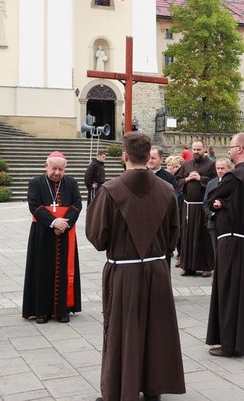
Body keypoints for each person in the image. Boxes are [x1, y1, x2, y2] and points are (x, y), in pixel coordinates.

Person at [85, 132, 185, 401]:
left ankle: (120, 390)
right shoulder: (167, 190)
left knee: (122, 329)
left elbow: (97, 238)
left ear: (125, 156)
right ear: (148, 155)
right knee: (155, 328)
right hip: (157, 270)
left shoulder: (110, 190)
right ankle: (152, 390)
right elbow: (174, 236)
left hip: (124, 271)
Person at [205, 132, 244, 357]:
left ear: (240, 149)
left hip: (232, 243)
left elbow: (212, 197)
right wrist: (223, 203)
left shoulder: (235, 176)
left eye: (231, 147)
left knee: (230, 293)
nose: (228, 151)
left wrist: (220, 204)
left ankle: (231, 344)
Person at [22, 151, 82, 324]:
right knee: (42, 270)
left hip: (65, 232)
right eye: (54, 168)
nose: (57, 173)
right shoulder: (36, 182)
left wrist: (64, 224)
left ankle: (63, 310)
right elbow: (34, 205)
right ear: (46, 166)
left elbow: (77, 205)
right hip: (42, 232)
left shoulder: (70, 183)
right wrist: (53, 222)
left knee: (65, 270)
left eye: (61, 169)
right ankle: (41, 311)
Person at [175, 140, 216, 277]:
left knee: (203, 236)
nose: (196, 152)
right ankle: (188, 266)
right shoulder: (186, 165)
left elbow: (216, 182)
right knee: (187, 236)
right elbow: (176, 180)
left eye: (198, 149)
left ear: (204, 149)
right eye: (194, 149)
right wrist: (186, 180)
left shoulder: (212, 165)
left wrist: (200, 178)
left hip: (203, 207)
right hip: (188, 207)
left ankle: (206, 267)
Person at [204, 157, 234, 259]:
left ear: (229, 168)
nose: (220, 171)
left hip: (228, 222)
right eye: (218, 168)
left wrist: (223, 205)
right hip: (213, 222)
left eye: (222, 168)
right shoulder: (211, 183)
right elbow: (205, 203)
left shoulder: (234, 182)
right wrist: (212, 212)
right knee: (216, 250)